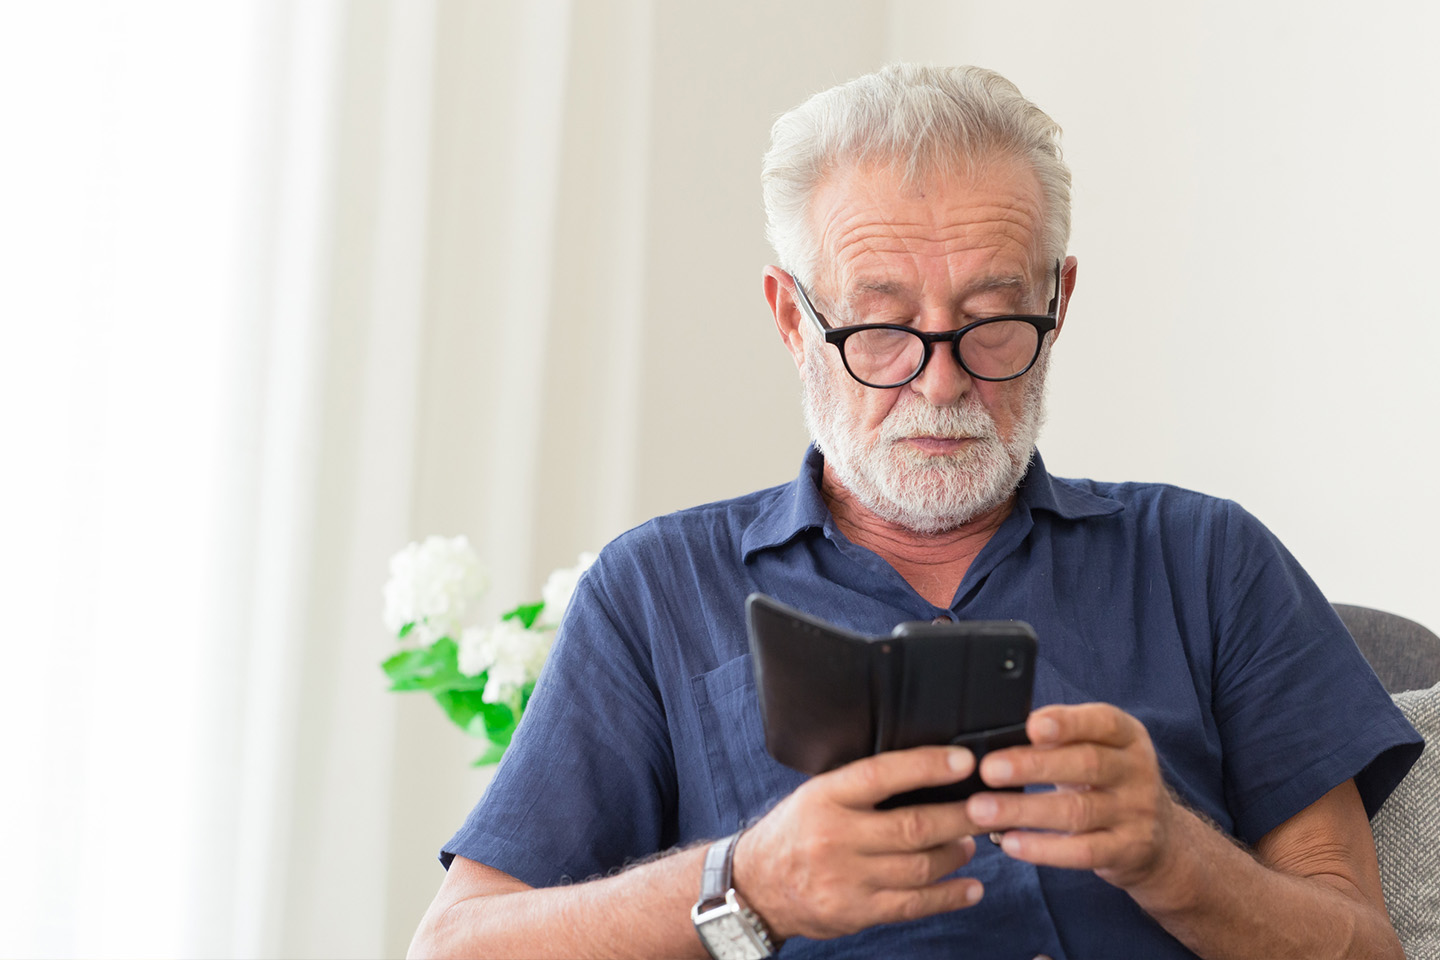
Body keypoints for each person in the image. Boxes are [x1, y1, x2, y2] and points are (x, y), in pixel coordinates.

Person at [409, 64, 1422, 959]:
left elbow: (1362, 945)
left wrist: (1171, 855)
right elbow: (456, 946)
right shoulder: (657, 589)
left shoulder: (1208, 562)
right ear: (791, 318)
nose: (939, 387)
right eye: (884, 327)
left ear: (1059, 304)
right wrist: (744, 886)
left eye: (991, 324)